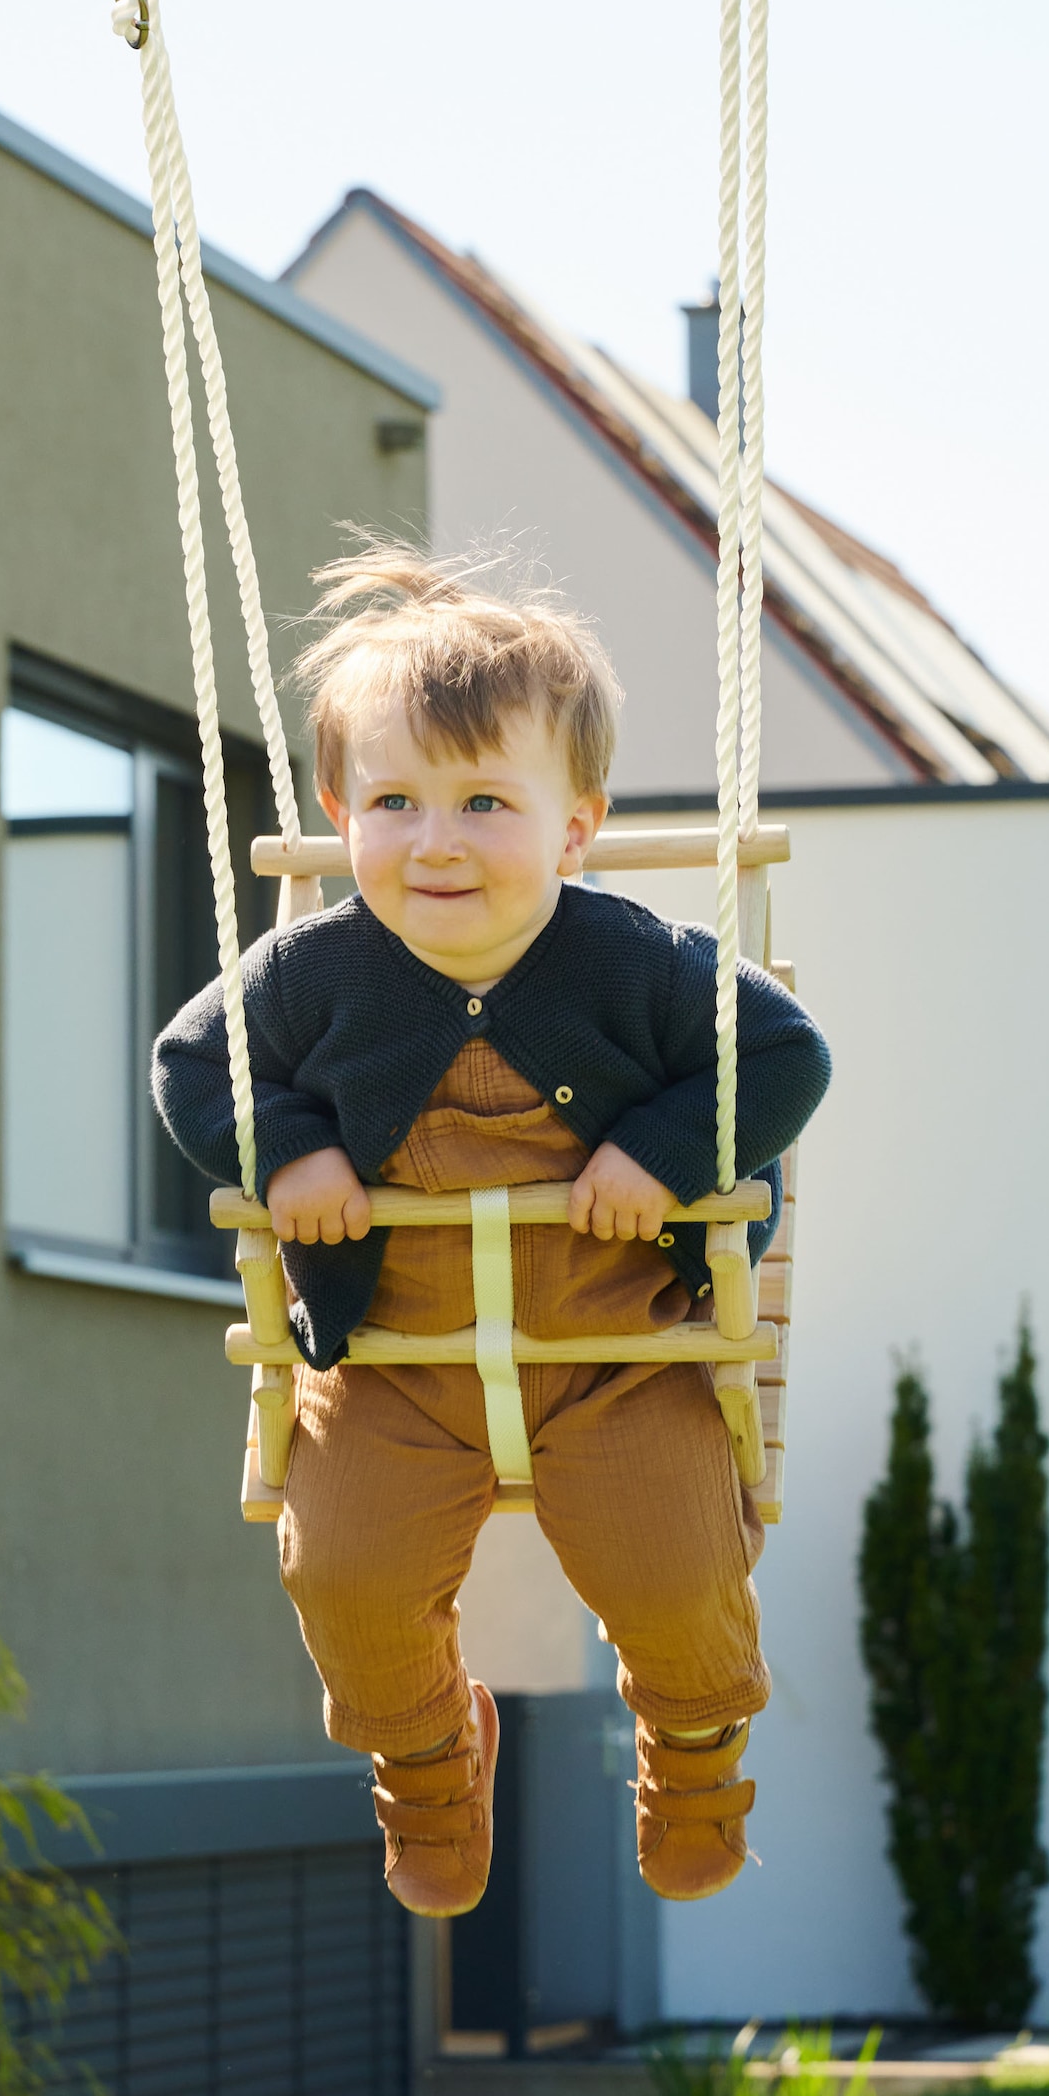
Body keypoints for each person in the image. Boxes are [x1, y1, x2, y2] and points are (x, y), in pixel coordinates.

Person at [154, 550, 831, 1919]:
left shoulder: (634, 962)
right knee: (339, 1576)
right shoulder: (312, 973)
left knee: (681, 1575)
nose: (436, 841)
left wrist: (659, 1150)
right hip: (391, 1360)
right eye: (394, 803)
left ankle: (693, 1757)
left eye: (482, 802)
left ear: (574, 825)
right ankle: (425, 1760)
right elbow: (190, 1066)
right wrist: (287, 1154)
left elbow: (781, 1056)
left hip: (614, 1358)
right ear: (341, 814)